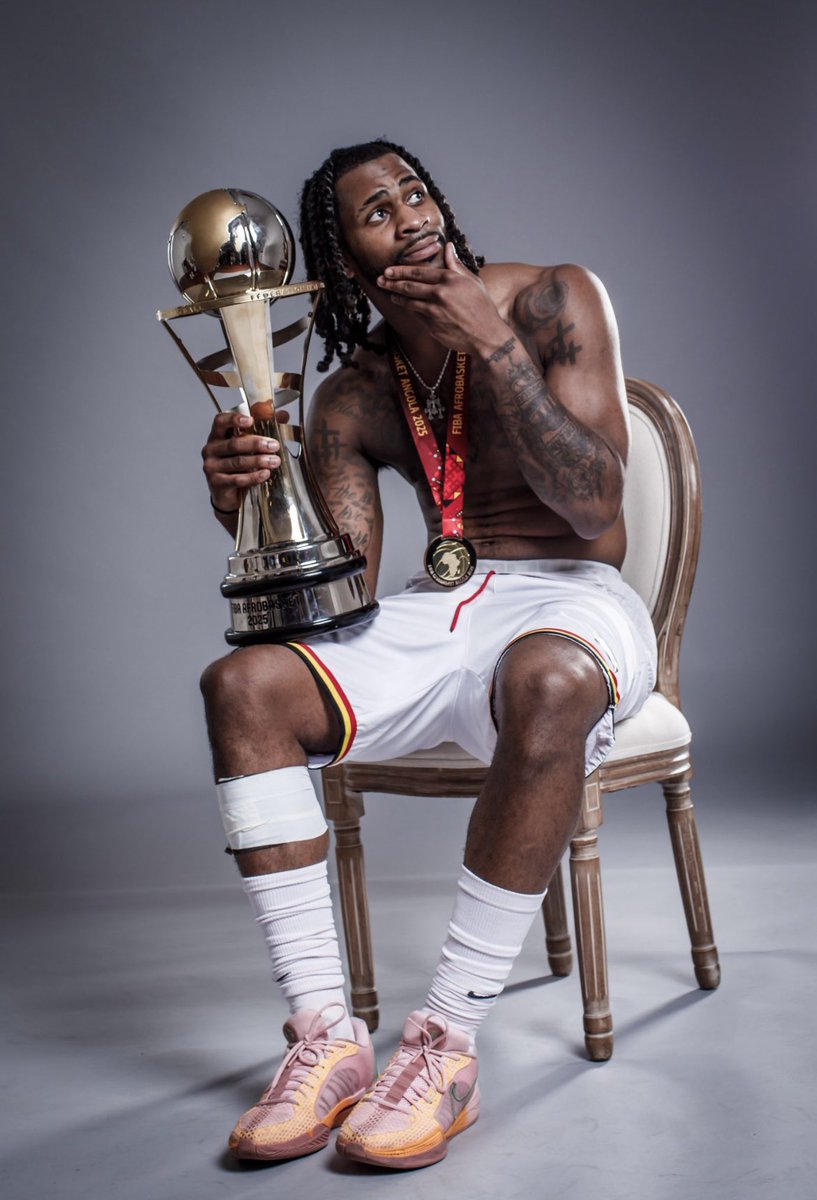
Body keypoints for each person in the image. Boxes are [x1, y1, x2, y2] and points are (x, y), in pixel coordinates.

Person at [199, 139, 657, 1170]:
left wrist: (489, 342)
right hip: (438, 610)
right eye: (374, 212)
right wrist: (245, 502)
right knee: (244, 687)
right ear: (348, 267)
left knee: (549, 679)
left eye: (414, 192)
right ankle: (325, 1039)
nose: (406, 215)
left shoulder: (549, 299)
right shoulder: (356, 396)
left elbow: (591, 503)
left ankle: (443, 1043)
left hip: (573, 597)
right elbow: (337, 598)